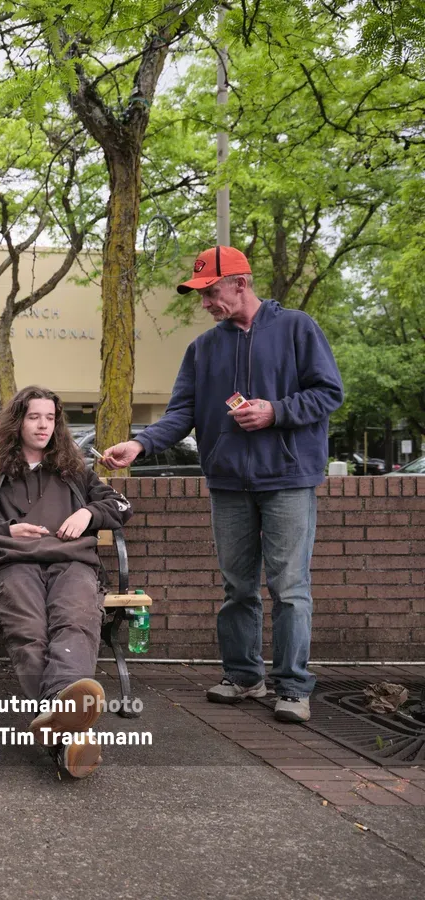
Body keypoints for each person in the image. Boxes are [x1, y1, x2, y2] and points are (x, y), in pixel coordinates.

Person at [103, 247, 344, 724]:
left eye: (211, 292)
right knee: (237, 587)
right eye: (201, 295)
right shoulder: (203, 349)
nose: (206, 303)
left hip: (289, 479)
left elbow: (328, 392)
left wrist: (276, 412)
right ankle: (243, 677)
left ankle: (293, 688)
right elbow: (181, 413)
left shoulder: (297, 327)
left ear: (241, 283)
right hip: (229, 482)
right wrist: (141, 444)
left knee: (289, 587)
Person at [0, 386, 133, 779]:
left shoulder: (75, 471)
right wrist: (8, 529)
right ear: (18, 421)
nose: (43, 425)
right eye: (34, 417)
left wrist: (89, 514)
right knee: (31, 632)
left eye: (50, 418)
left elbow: (122, 506)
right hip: (14, 566)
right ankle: (67, 731)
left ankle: (59, 724)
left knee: (74, 621)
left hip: (72, 563)